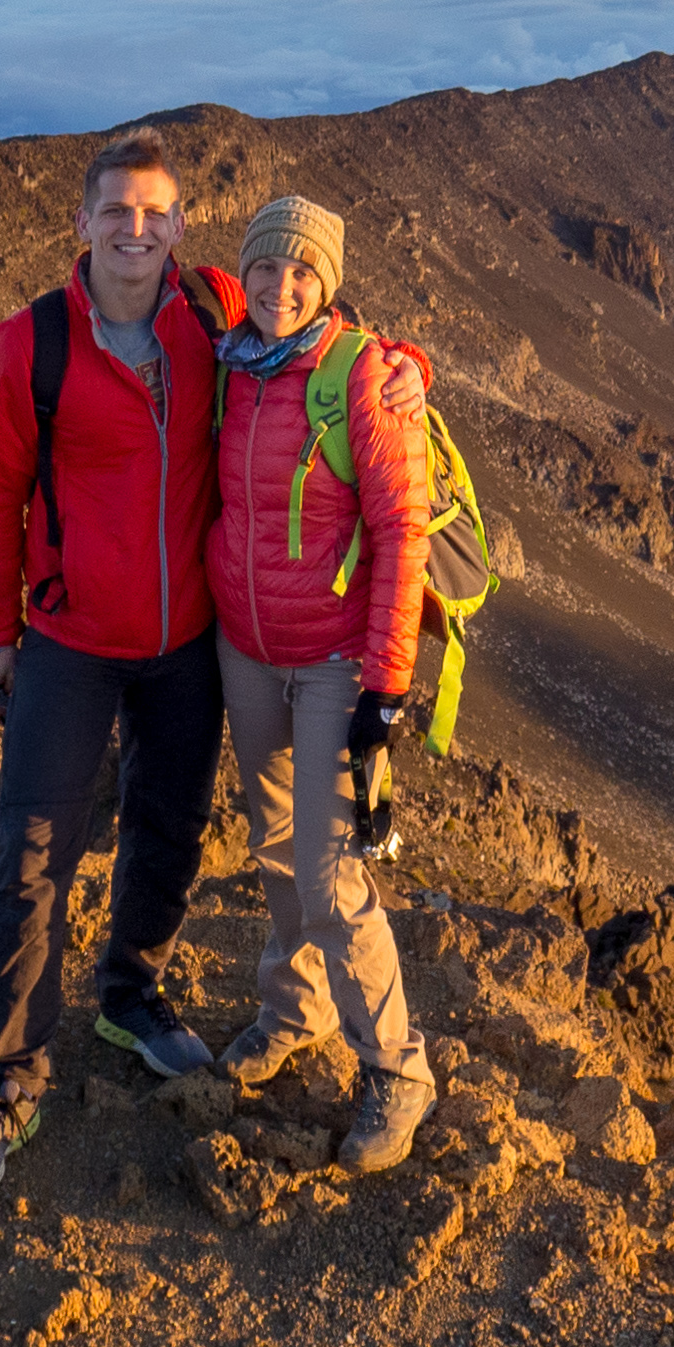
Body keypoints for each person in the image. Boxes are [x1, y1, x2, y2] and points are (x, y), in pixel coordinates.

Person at [0, 124, 247, 1203]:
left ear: (179, 224)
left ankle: (131, 994)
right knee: (32, 852)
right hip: (69, 641)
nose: (135, 228)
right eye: (116, 209)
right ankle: (5, 1078)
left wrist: (393, 375)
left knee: (171, 826)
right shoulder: (28, 346)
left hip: (186, 639)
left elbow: (312, 332)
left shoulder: (213, 312)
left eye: (154, 212)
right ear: (82, 221)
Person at [201, 195, 437, 1170]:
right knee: (272, 844)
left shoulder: (363, 378)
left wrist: (386, 690)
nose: (281, 286)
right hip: (247, 650)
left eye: (302, 271)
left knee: (329, 869)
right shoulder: (229, 365)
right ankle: (295, 1006)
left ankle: (396, 1069)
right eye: (266, 266)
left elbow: (402, 532)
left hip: (336, 661)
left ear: (327, 284)